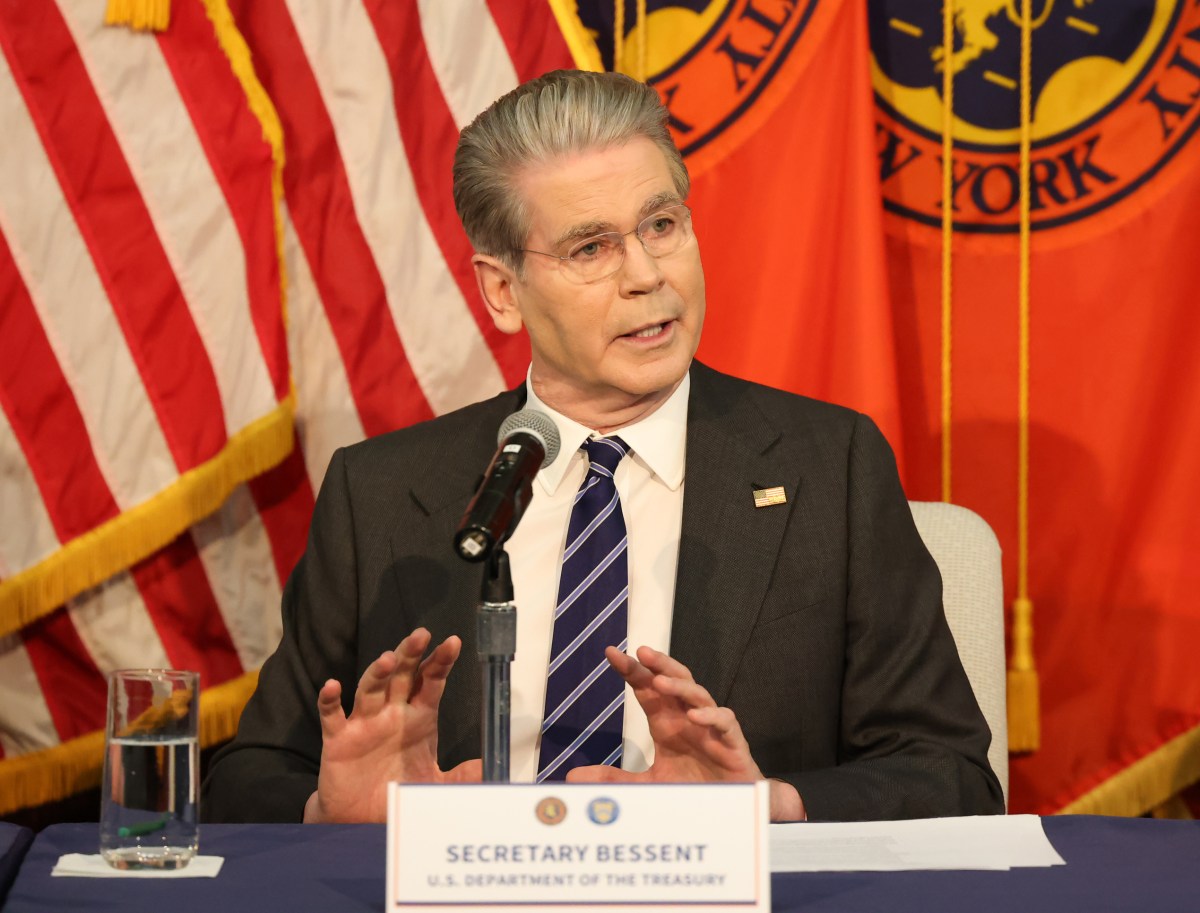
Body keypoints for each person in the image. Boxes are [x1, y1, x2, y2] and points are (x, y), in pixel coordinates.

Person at [203, 70, 1003, 824]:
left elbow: (954, 775)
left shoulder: (830, 466)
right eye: (591, 248)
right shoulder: (380, 492)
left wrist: (765, 805)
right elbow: (249, 775)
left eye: (661, 225)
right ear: (503, 292)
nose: (647, 274)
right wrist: (333, 812)